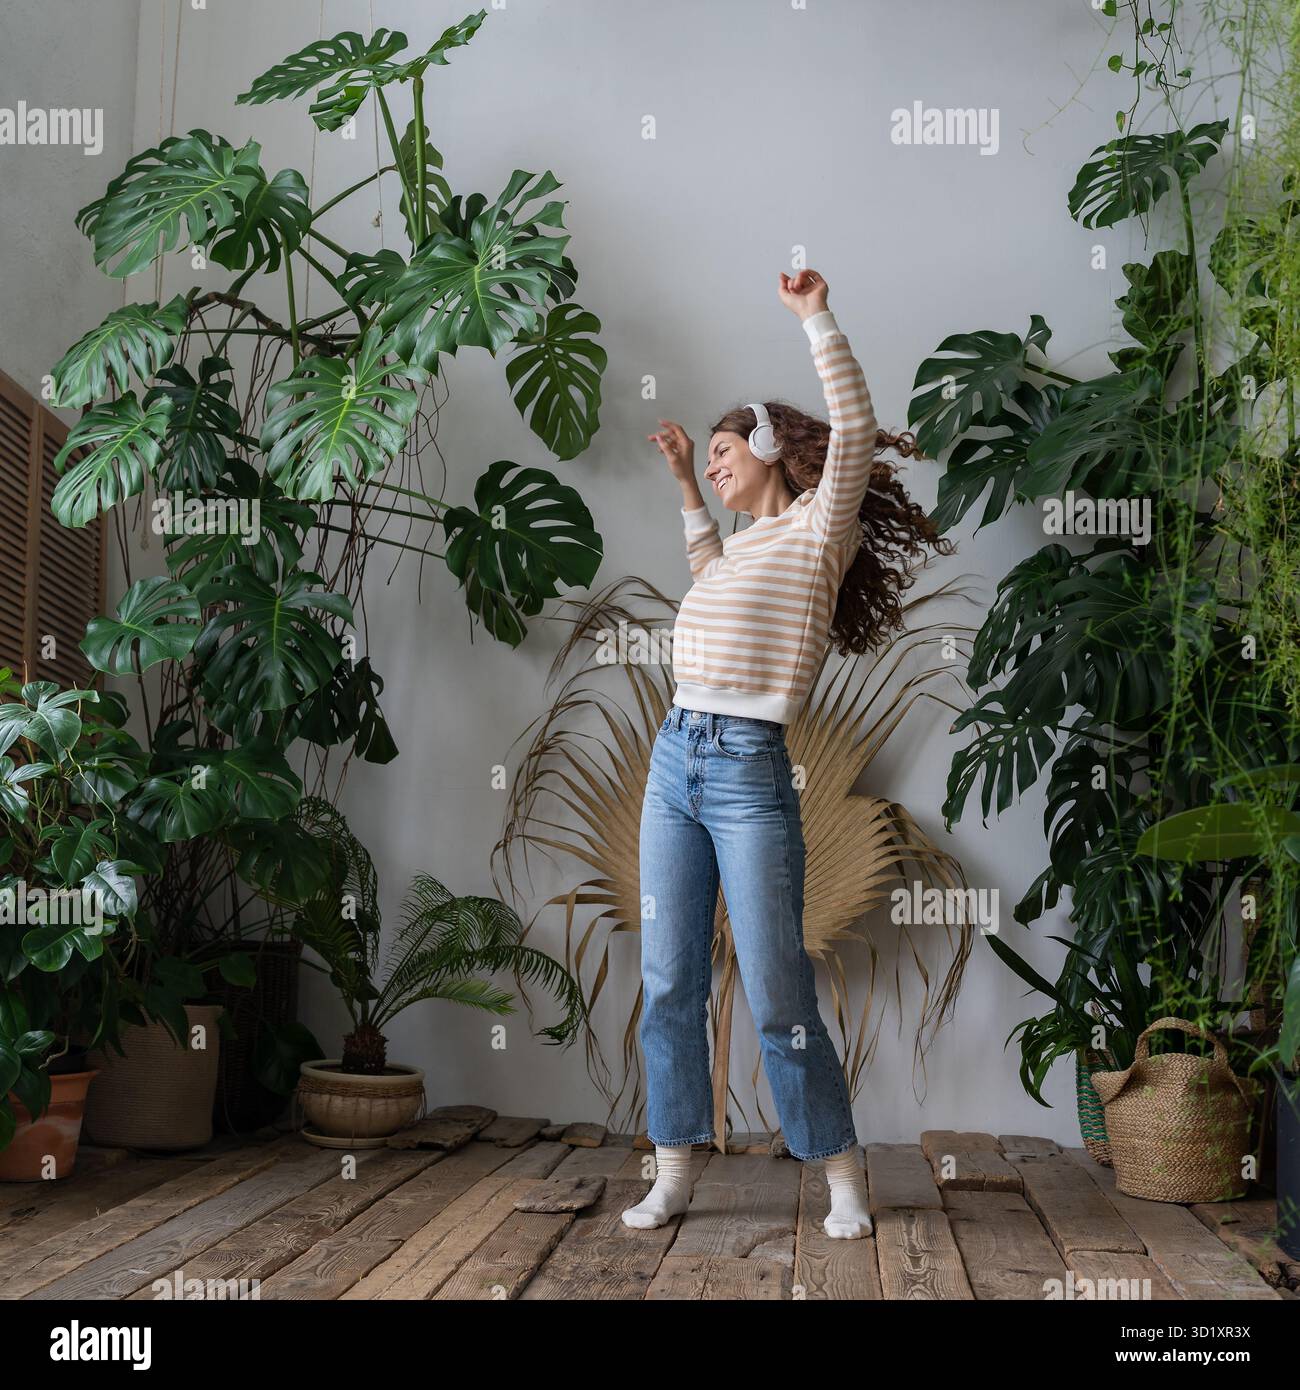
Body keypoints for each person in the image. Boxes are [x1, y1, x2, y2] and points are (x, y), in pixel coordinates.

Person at [624, 269, 952, 1239]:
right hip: (673, 759)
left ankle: (841, 1169)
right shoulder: (744, 551)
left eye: (725, 452)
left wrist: (815, 317)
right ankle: (675, 1165)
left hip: (745, 773)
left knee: (775, 987)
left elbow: (850, 432)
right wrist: (687, 482)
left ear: (770, 450)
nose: (717, 467)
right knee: (670, 978)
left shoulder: (818, 533)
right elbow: (708, 577)